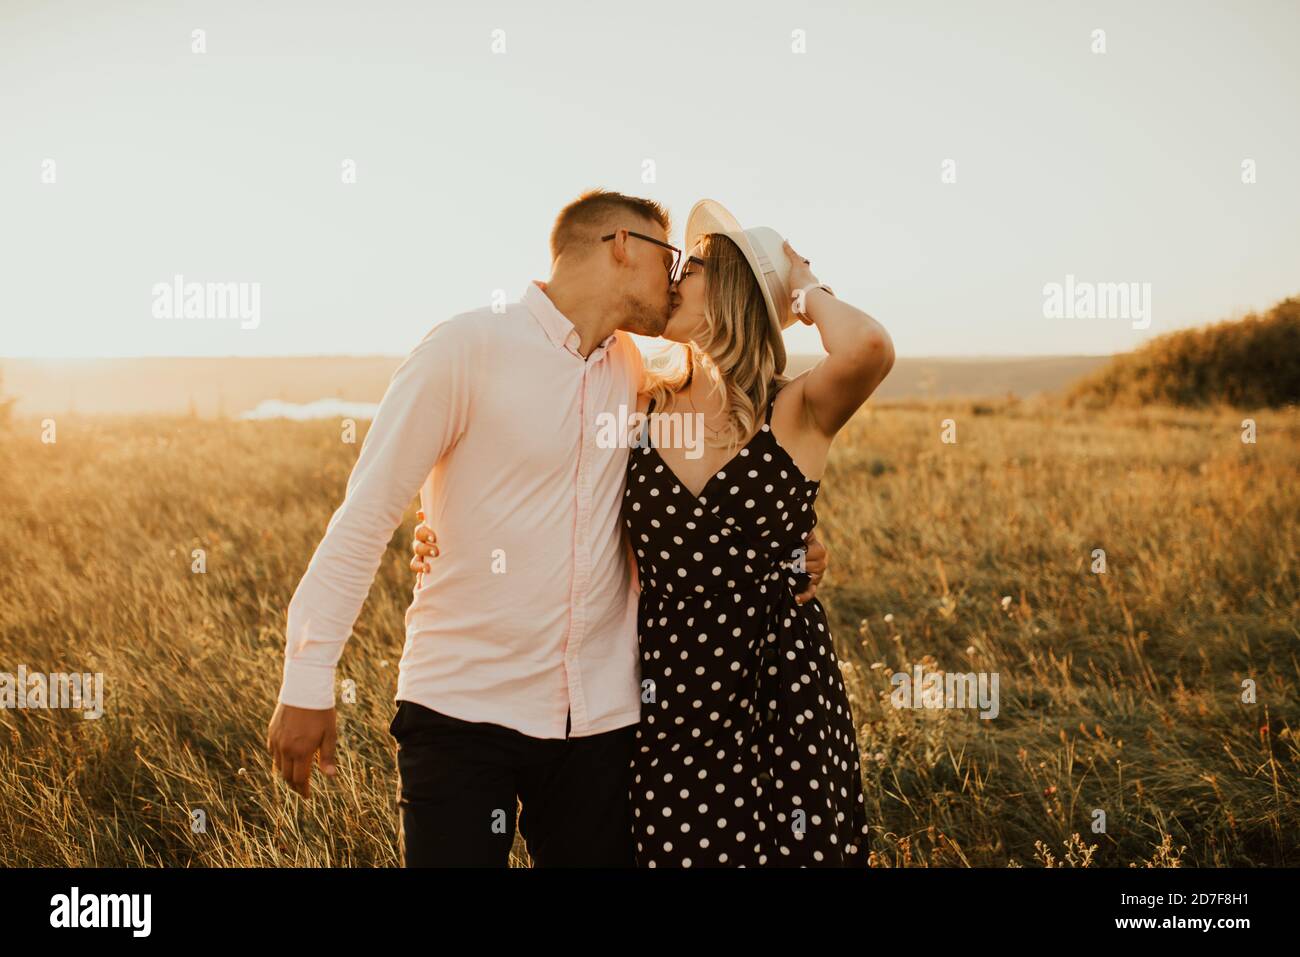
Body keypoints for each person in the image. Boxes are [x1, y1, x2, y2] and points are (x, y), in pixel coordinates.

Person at [267, 189, 829, 867]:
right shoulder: (465, 347)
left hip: (601, 724)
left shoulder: (638, 374)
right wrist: (307, 679)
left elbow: (722, 452)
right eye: (668, 257)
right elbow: (365, 515)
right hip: (462, 710)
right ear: (623, 246)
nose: (675, 279)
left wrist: (793, 543)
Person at [414, 198, 894, 866]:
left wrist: (802, 287)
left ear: (730, 290)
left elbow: (869, 346)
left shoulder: (797, 409)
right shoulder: (640, 399)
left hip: (778, 692)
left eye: (692, 266)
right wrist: (440, 520)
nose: (672, 276)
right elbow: (547, 467)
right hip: (667, 699)